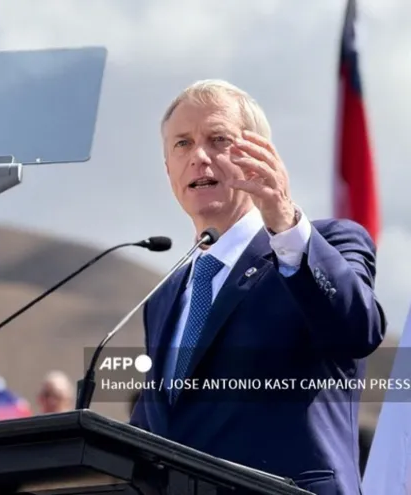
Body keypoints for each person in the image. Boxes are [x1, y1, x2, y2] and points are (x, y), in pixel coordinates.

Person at [128, 80, 385, 494]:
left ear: (258, 156)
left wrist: (284, 221)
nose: (198, 157)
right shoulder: (163, 299)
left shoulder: (328, 242)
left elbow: (358, 330)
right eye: (182, 144)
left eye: (218, 139)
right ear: (168, 170)